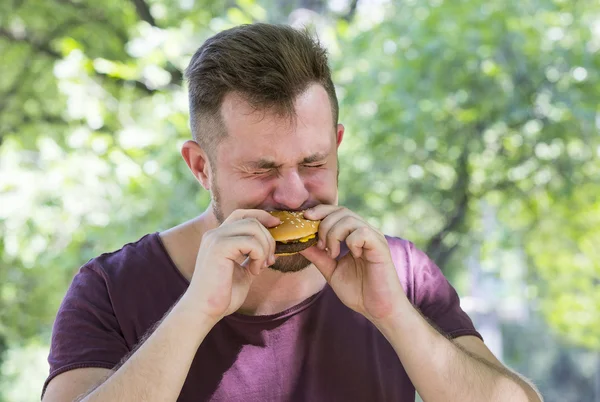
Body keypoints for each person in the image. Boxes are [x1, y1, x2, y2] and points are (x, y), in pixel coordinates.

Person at [41, 23, 542, 402]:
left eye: (313, 161)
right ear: (201, 167)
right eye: (262, 169)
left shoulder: (401, 274)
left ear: (338, 145)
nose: (294, 194)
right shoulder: (109, 289)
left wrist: (392, 315)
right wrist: (197, 312)